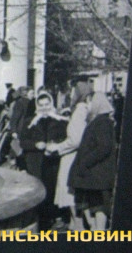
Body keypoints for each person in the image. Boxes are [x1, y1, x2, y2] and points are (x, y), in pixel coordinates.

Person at [46, 81, 92, 230]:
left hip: (72, 157)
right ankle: (74, 224)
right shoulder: (86, 109)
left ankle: (78, 225)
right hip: (78, 155)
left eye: (73, 91)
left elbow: (75, 140)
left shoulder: (79, 111)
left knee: (69, 191)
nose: (71, 95)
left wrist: (57, 147)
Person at [68, 91, 117, 231]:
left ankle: (98, 234)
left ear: (97, 104)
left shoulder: (102, 123)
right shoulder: (99, 121)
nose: (87, 106)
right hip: (93, 174)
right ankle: (95, 232)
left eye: (89, 102)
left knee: (99, 206)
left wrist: (85, 162)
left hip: (97, 174)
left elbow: (104, 147)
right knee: (93, 205)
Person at [19, 92, 68, 229]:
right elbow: (23, 142)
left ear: (51, 104)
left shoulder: (59, 121)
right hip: (35, 161)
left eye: (47, 104)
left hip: (53, 161)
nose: (44, 108)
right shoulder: (30, 122)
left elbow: (65, 139)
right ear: (37, 106)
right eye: (41, 105)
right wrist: (35, 144)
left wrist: (55, 145)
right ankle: (39, 220)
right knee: (38, 189)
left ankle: (52, 218)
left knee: (51, 189)